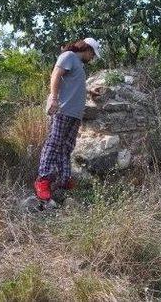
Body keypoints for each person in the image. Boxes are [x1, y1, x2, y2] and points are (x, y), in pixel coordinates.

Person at [34, 37, 101, 203]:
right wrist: (54, 99)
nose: (93, 58)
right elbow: (56, 74)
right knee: (54, 144)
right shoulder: (69, 56)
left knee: (66, 147)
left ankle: (64, 180)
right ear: (88, 49)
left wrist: (89, 92)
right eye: (93, 54)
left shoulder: (79, 64)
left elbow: (74, 85)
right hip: (62, 110)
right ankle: (43, 181)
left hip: (74, 114)